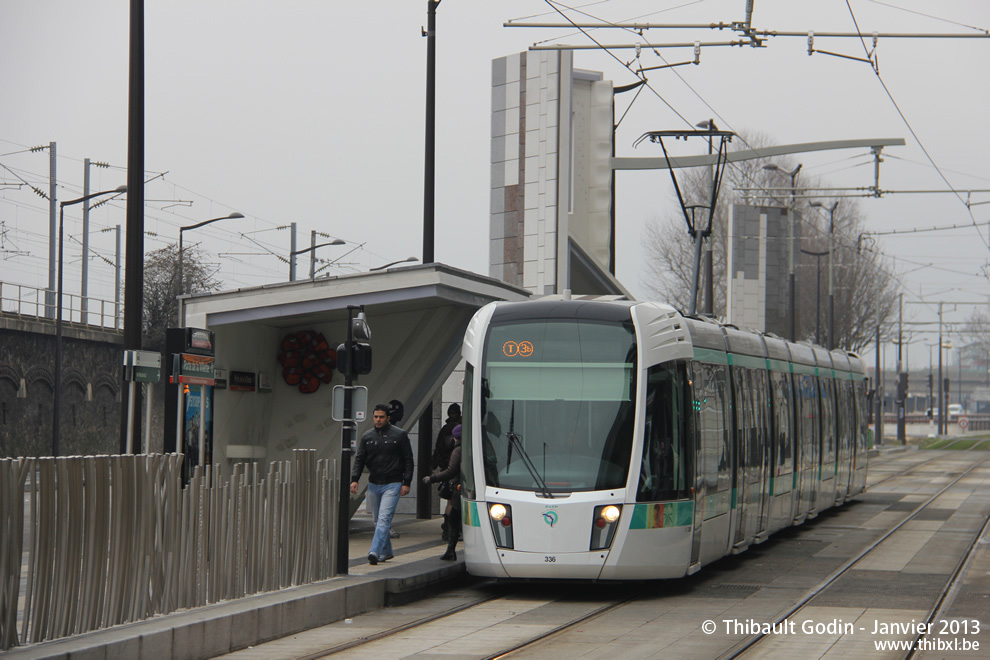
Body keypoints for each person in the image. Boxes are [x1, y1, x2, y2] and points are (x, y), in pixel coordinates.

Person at [350, 403, 414, 565]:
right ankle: (386, 551)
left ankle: (375, 551)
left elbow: (408, 460)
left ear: (388, 418)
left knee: (384, 519)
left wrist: (406, 482)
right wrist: (354, 479)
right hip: (374, 483)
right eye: (376, 417)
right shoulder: (367, 437)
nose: (378, 420)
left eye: (381, 417)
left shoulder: (399, 436)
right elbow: (359, 459)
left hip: (393, 483)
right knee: (378, 521)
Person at [423, 423, 462, 561]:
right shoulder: (473, 447)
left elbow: (451, 470)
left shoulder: (458, 451)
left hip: (459, 489)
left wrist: (432, 478)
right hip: (468, 489)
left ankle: (451, 549)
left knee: (454, 519)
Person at [431, 403, 462, 541]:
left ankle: (447, 527)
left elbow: (438, 448)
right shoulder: (461, 429)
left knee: (451, 500)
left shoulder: (445, 429)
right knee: (454, 500)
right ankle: (451, 529)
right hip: (456, 471)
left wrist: (435, 464)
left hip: (445, 468)